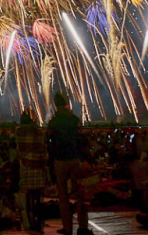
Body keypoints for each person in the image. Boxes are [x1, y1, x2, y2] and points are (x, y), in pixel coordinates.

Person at [47, 92, 93, 235]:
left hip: (60, 161)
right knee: (79, 194)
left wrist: (51, 162)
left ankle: (67, 228)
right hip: (75, 159)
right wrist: (86, 158)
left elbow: (49, 143)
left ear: (55, 104)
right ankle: (83, 226)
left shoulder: (53, 122)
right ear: (66, 103)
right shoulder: (74, 120)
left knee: (63, 197)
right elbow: (82, 141)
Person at [16, 108, 48, 234]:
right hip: (38, 166)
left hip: (26, 166)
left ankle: (29, 221)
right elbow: (43, 148)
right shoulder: (39, 132)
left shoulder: (18, 131)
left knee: (27, 194)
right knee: (39, 195)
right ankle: (39, 221)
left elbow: (19, 149)